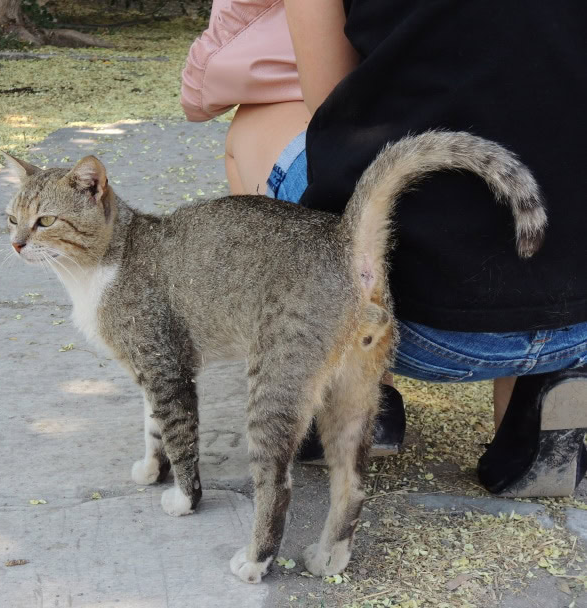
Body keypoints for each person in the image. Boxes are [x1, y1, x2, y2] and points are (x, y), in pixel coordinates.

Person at [182, 0, 587, 497]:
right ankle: (539, 399)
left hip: (417, 325)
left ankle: (354, 384)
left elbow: (334, 111)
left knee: (253, 128)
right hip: (578, 316)